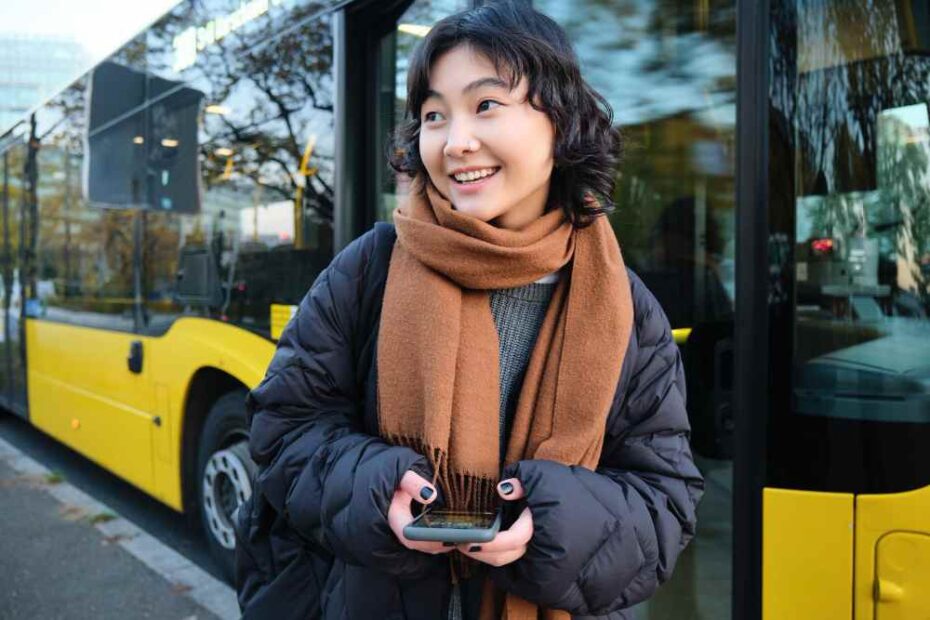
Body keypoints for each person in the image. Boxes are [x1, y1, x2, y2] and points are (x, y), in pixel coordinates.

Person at [235, 2, 703, 619]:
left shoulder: (626, 307)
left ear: (561, 123)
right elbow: (285, 428)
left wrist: (550, 525)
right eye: (434, 115)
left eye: (486, 105)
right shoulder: (367, 269)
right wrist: (377, 489)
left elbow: (664, 503)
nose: (456, 142)